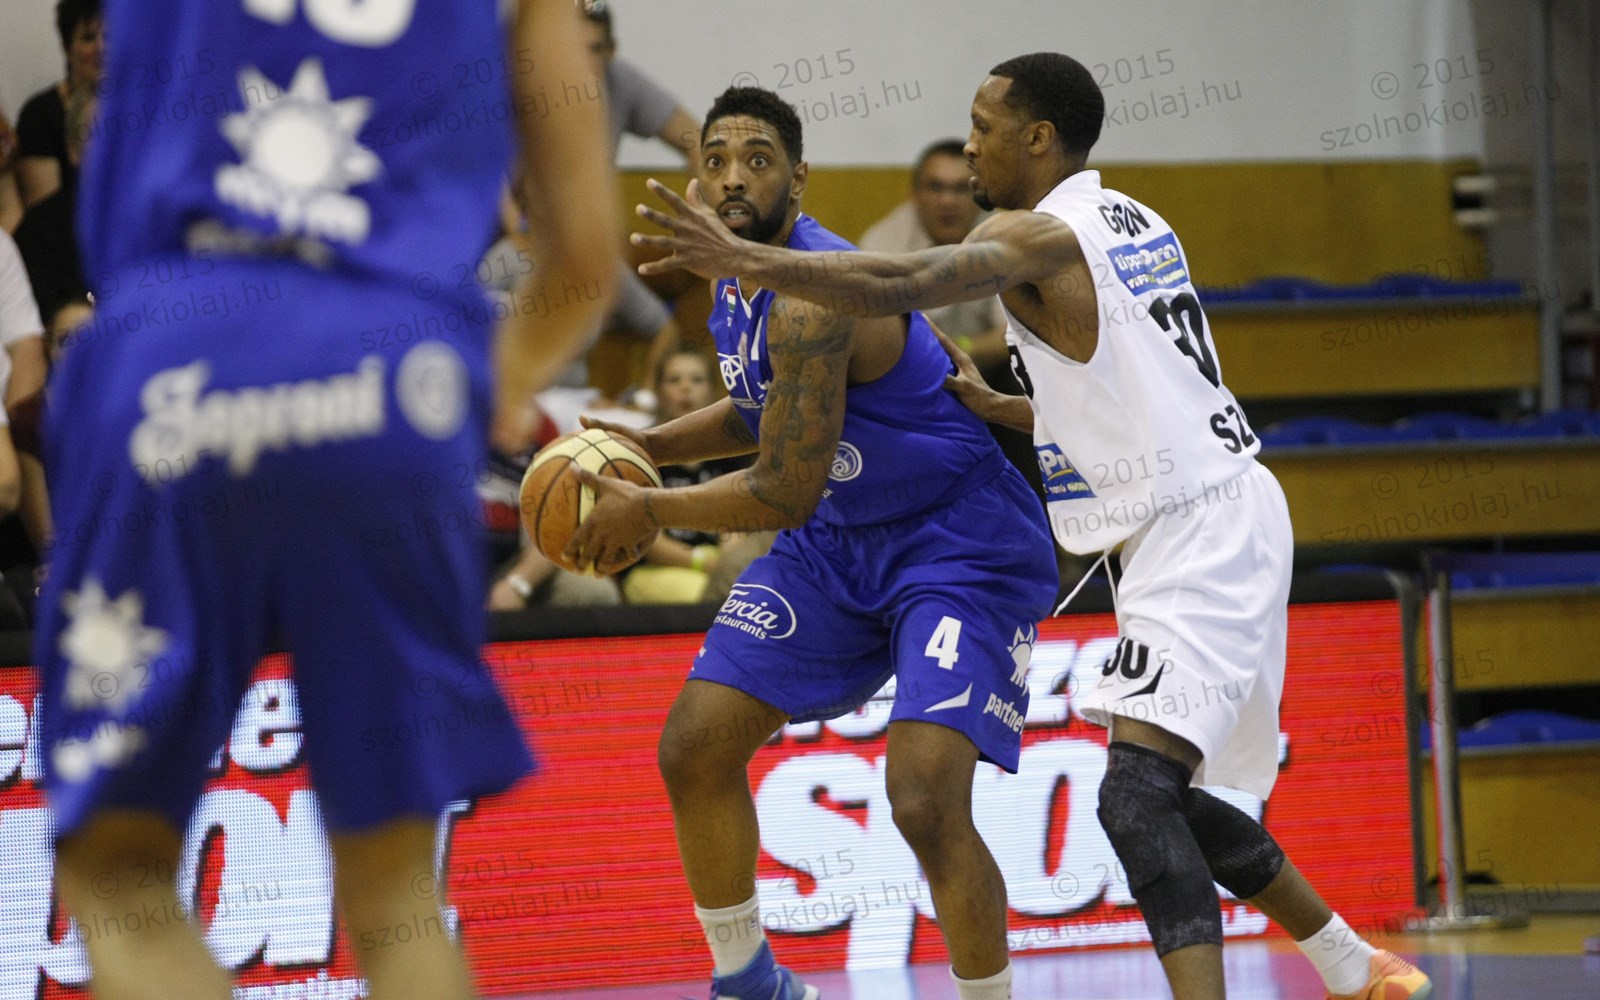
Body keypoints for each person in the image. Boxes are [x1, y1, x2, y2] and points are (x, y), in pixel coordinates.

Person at [625, 54, 1432, 1000]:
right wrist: (1004, 407)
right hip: (1196, 515)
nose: (969, 146)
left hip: (1192, 528)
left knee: (1134, 804)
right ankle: (1354, 967)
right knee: (1180, 800)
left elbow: (903, 280)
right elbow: (1137, 391)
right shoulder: (1132, 218)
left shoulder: (1037, 233)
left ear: (1038, 139)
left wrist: (746, 259)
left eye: (984, 127)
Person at [37, 3, 618, 1000]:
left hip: (171, 357)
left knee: (118, 875)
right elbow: (587, 255)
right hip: (390, 365)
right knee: (396, 896)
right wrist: (496, 384)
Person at [571, 86, 1058, 1000]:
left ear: (798, 180)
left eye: (757, 160)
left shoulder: (816, 292)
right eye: (716, 159)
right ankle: (751, 983)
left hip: (953, 541)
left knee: (923, 800)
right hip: (839, 540)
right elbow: (766, 408)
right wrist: (651, 445)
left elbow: (783, 488)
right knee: (694, 744)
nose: (732, 177)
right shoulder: (732, 281)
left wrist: (653, 508)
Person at [616, 349, 772, 605]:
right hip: (656, 567)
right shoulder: (640, 454)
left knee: (746, 586)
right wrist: (702, 562)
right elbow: (645, 540)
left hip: (716, 561)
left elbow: (735, 523)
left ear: (713, 392)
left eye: (697, 380)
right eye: (674, 380)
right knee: (716, 598)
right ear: (657, 391)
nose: (686, 388)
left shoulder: (733, 453)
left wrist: (726, 562)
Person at [858, 139, 1005, 368]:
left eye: (961, 188)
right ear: (914, 194)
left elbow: (1015, 336)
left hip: (985, 369)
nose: (947, 201)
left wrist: (957, 349)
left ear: (981, 193)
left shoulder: (1004, 237)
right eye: (936, 187)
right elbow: (867, 335)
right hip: (903, 368)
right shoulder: (882, 244)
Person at [14, 0, 103, 209]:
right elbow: (44, 211)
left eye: (110, 37)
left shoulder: (139, 105)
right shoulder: (39, 115)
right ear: (67, 47)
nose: (102, 47)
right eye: (88, 38)